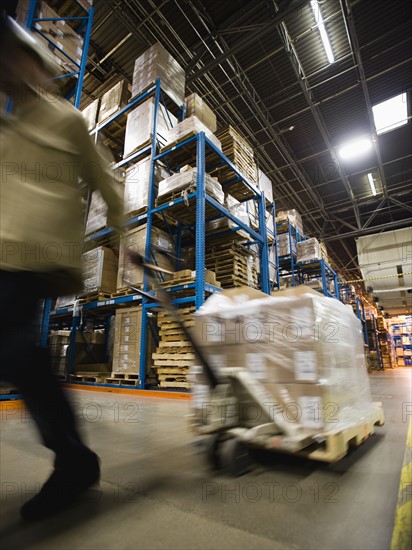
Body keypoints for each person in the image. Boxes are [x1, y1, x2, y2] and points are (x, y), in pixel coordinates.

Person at [0, 16, 124, 520]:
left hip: (34, 256)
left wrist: (122, 237)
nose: (6, 65)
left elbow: (105, 180)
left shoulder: (67, 119)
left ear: (38, 66)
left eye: (15, 55)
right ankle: (74, 459)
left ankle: (74, 460)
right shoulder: (8, 129)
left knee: (15, 352)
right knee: (16, 353)